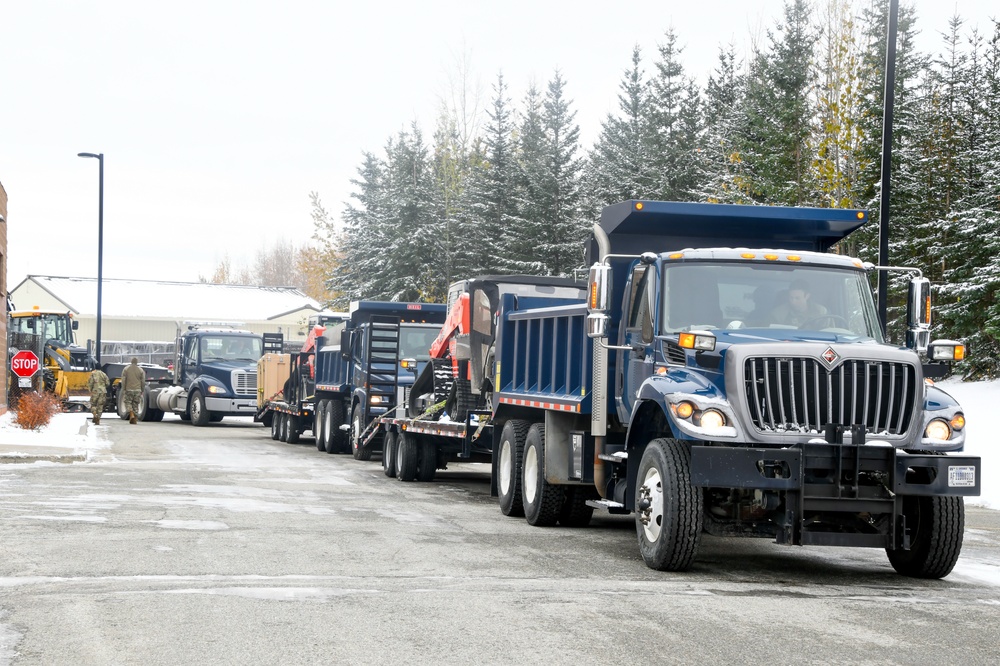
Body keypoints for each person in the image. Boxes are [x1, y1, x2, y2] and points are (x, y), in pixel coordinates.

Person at [121, 357, 146, 424]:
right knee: (135, 404)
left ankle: (131, 414)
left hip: (129, 389)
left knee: (128, 403)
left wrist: (124, 389)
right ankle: (135, 419)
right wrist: (142, 389)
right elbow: (143, 381)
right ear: (137, 362)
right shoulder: (141, 370)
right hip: (138, 390)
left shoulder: (126, 369)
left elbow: (123, 380)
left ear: (131, 361)